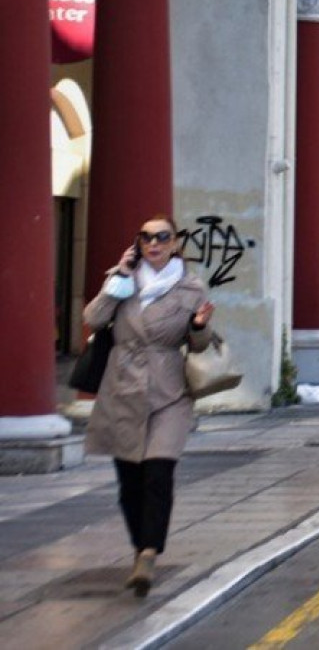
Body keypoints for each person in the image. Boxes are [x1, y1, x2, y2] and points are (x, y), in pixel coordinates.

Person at [83, 214, 216, 598]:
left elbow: (200, 344)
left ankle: (148, 553)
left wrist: (199, 326)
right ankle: (139, 545)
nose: (154, 243)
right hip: (122, 386)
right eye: (146, 238)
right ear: (138, 244)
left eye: (162, 237)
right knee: (130, 483)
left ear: (175, 243)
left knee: (158, 471)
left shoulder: (190, 287)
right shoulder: (121, 279)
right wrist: (119, 279)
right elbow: (92, 318)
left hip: (168, 389)